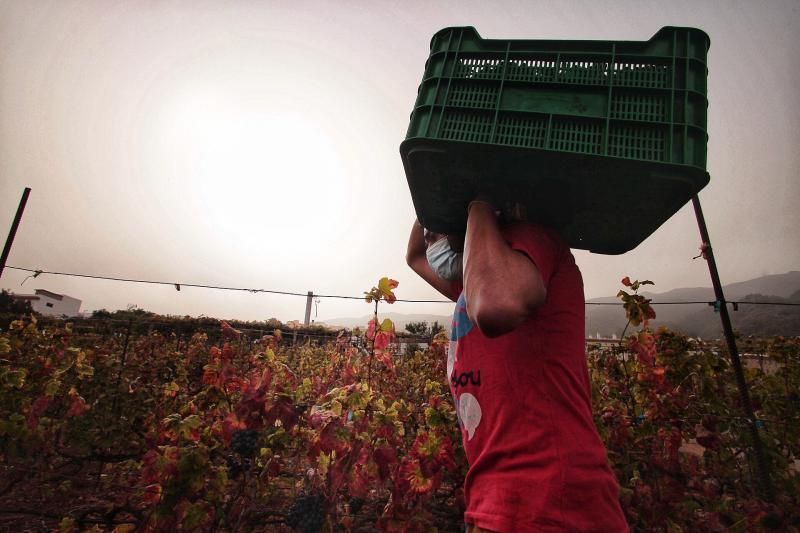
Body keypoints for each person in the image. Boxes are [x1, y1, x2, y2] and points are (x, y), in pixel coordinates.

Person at [406, 200, 628, 532]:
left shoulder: (529, 240)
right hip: (498, 502)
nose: (433, 237)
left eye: (437, 229)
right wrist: (433, 195)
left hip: (549, 502)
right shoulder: (475, 283)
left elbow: (499, 306)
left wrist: (475, 201)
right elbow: (416, 257)